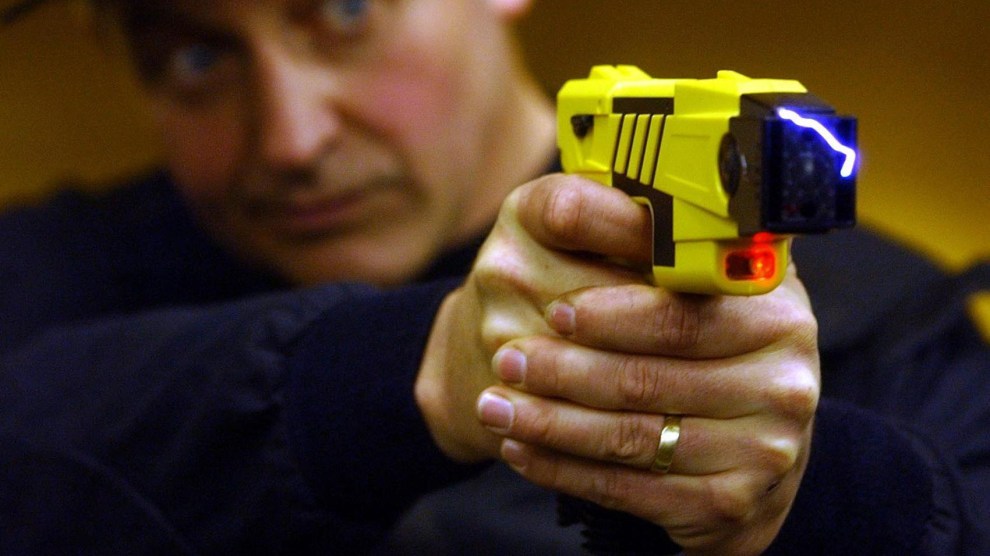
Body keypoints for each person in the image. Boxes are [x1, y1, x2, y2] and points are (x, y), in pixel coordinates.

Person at [0, 0, 987, 554]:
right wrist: (413, 364)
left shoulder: (890, 319)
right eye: (192, 58)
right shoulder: (67, 268)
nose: (291, 138)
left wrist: (806, 502)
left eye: (343, 11)